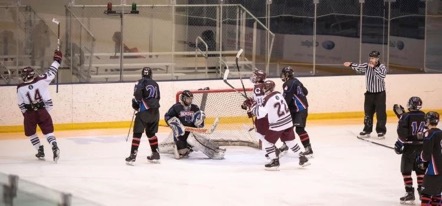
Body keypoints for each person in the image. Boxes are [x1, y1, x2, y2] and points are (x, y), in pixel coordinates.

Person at [245, 80, 310, 170]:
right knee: (290, 141)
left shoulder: (266, 99)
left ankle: (275, 161)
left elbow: (260, 114)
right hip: (288, 121)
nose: (263, 89)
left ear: (266, 88)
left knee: (268, 142)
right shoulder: (279, 94)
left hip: (278, 124)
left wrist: (251, 107)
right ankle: (302, 157)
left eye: (264, 87)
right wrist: (255, 105)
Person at [16, 50, 62, 163]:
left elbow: (21, 104)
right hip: (43, 110)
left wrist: (26, 115)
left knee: (31, 133)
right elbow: (52, 71)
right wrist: (57, 60)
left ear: (25, 76)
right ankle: (54, 145)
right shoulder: (41, 80)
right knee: (48, 132)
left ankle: (40, 150)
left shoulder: (20, 88)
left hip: (30, 113)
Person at [343, 50, 387, 139]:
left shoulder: (382, 67)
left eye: (373, 58)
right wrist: (351, 64)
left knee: (381, 113)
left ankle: (381, 131)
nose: (371, 59)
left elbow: (382, 76)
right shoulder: (366, 66)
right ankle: (367, 130)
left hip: (380, 94)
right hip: (369, 94)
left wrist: (374, 68)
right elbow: (359, 67)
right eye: (371, 58)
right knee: (368, 113)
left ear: (377, 59)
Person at [393, 96, 426, 204]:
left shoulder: (406, 116)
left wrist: (399, 144)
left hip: (409, 148)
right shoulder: (424, 115)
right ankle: (422, 191)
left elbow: (402, 132)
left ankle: (409, 193)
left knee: (406, 170)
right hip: (421, 147)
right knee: (420, 170)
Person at [125, 67, 161, 165]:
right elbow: (158, 97)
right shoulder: (155, 84)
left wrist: (136, 103)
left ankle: (133, 156)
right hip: (155, 111)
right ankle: (155, 153)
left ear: (142, 74)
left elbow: (137, 94)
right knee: (151, 133)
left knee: (137, 133)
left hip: (144, 111)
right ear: (151, 74)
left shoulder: (139, 82)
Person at [279, 66, 314, 157]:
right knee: (286, 127)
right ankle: (286, 145)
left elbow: (286, 100)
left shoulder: (288, 84)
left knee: (299, 129)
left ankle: (308, 148)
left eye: (283, 74)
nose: (282, 76)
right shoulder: (296, 81)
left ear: (286, 75)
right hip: (296, 109)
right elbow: (305, 92)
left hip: (299, 109)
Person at [164, 90, 206, 159]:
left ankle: (189, 146)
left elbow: (200, 121)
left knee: (200, 114)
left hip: (192, 133)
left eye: (191, 99)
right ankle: (185, 147)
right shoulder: (176, 107)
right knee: (182, 151)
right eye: (188, 99)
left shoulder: (195, 107)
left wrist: (200, 122)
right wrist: (172, 123)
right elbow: (167, 116)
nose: (190, 101)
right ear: (183, 98)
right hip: (181, 133)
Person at [241, 69, 269, 156]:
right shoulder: (261, 85)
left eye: (255, 76)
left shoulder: (258, 87)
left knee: (262, 134)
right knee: (262, 134)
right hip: (265, 114)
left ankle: (272, 150)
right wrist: (249, 101)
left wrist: (251, 107)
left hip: (263, 115)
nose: (253, 77)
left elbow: (260, 103)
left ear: (259, 77)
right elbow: (258, 99)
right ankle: (272, 150)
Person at [417, 111, 442, 205]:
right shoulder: (440, 132)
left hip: (434, 170)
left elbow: (426, 155)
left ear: (428, 120)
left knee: (426, 194)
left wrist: (420, 158)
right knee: (437, 194)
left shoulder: (429, 133)